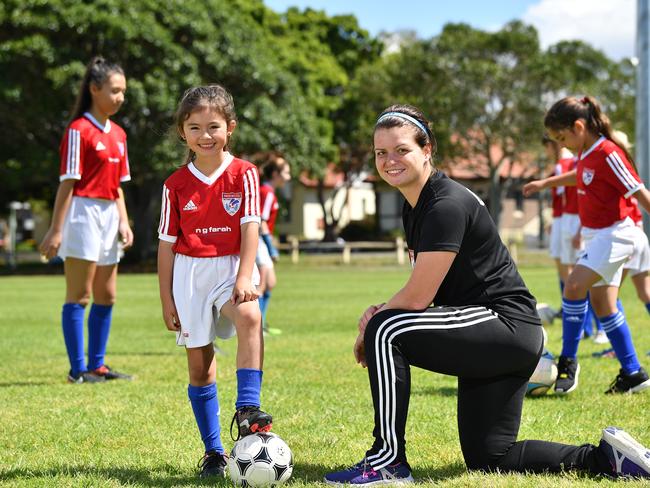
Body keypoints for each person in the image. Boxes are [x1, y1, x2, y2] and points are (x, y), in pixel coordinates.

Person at [324, 104, 650, 485]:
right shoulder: (415, 204)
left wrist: (373, 319)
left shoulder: (445, 203)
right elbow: (425, 294)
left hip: (503, 325)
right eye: (381, 153)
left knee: (386, 328)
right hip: (499, 336)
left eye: (401, 150)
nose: (390, 160)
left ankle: (387, 462)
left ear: (426, 149)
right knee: (491, 456)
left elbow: (416, 299)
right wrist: (380, 314)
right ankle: (605, 459)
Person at [157, 84, 272, 478]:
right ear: (182, 133)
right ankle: (213, 452)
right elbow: (167, 247)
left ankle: (247, 407)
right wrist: (167, 300)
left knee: (251, 316)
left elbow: (251, 225)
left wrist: (245, 273)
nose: (205, 136)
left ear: (231, 127)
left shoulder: (245, 174)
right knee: (200, 368)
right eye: (194, 128)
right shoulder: (174, 185)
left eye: (213, 126)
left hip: (230, 268)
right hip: (190, 275)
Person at [523, 96, 650, 395]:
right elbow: (579, 175)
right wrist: (545, 184)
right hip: (599, 236)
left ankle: (568, 360)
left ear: (579, 126)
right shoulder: (587, 153)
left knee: (573, 287)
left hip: (617, 234)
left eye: (562, 137)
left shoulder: (609, 152)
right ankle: (633, 373)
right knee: (604, 305)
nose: (562, 144)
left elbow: (639, 191)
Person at [39, 57, 133, 384]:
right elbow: (68, 182)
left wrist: (124, 221)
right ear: (95, 89)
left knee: (106, 295)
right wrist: (55, 229)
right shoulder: (78, 131)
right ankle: (77, 370)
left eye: (123, 91)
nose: (121, 97)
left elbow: (118, 186)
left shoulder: (119, 134)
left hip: (109, 215)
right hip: (81, 213)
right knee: (79, 295)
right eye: (115, 90)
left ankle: (98, 365)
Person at [255, 153, 292, 335]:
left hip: (261, 242)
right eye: (286, 172)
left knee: (270, 283)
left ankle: (261, 323)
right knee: (261, 284)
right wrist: (271, 248)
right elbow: (261, 222)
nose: (289, 177)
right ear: (276, 174)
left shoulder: (267, 191)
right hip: (258, 242)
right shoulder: (266, 193)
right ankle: (256, 326)